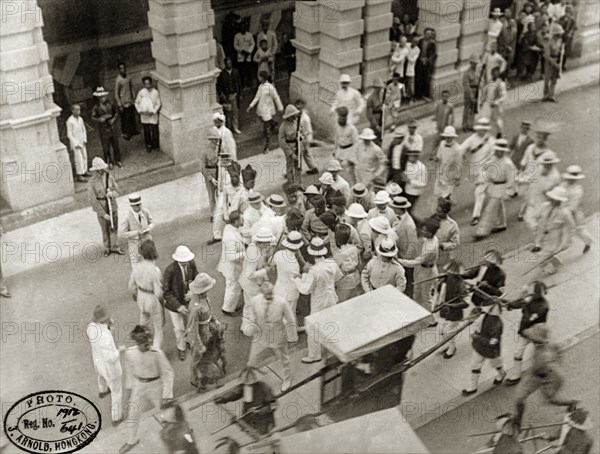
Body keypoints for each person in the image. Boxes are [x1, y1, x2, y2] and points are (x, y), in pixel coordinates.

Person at [120, 325, 174, 454]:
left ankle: (181, 430)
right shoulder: (130, 353)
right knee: (133, 415)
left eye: (149, 341)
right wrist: (129, 389)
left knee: (166, 413)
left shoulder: (157, 353)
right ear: (137, 343)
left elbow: (168, 372)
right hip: (139, 385)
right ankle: (132, 440)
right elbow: (129, 371)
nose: (148, 344)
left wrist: (167, 394)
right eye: (144, 343)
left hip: (155, 385)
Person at [513, 326, 578, 427]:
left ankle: (571, 403)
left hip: (549, 378)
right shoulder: (540, 344)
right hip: (535, 376)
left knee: (550, 400)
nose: (532, 340)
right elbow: (525, 332)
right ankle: (518, 421)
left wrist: (552, 372)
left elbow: (557, 359)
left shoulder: (549, 349)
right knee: (519, 398)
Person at [295, 238, 342, 364]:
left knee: (312, 327)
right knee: (331, 322)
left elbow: (305, 290)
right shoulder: (332, 263)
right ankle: (335, 347)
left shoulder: (314, 270)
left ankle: (314, 355)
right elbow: (338, 276)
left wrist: (298, 280)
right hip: (331, 297)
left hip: (319, 301)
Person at [246, 282, 298, 391]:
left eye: (271, 293)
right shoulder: (255, 300)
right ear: (262, 293)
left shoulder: (281, 303)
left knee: (284, 359)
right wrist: (252, 321)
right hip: (261, 334)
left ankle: (287, 379)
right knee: (253, 359)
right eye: (267, 294)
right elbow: (250, 310)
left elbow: (291, 320)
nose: (270, 296)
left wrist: (292, 337)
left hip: (277, 334)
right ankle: (251, 379)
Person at [185, 273, 226, 392]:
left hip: (207, 331)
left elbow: (210, 312)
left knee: (207, 356)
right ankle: (195, 379)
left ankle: (206, 375)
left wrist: (215, 320)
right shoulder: (196, 307)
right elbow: (193, 329)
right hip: (200, 334)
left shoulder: (205, 299)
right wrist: (199, 345)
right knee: (197, 359)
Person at [505, 281, 550, 385]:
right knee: (518, 352)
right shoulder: (532, 298)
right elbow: (519, 303)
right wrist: (510, 304)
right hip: (527, 330)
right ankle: (516, 375)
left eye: (538, 293)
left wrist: (524, 303)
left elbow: (528, 318)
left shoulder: (543, 306)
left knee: (540, 353)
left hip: (536, 331)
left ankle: (546, 373)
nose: (536, 295)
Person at [473, 140, 518, 240]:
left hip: (502, 187)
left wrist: (509, 192)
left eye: (500, 150)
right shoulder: (494, 159)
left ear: (504, 151)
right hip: (493, 186)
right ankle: (501, 224)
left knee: (489, 209)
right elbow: (488, 171)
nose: (497, 152)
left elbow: (512, 178)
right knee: (499, 207)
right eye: (496, 150)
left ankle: (481, 231)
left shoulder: (507, 163)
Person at [86, 305, 123, 425]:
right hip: (110, 368)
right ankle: (116, 417)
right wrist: (120, 351)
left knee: (101, 376)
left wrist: (107, 325)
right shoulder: (105, 337)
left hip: (98, 361)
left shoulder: (91, 327)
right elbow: (110, 358)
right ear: (102, 319)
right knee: (117, 391)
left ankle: (103, 390)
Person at [214, 367, 277, 435]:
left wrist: (259, 410)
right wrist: (221, 398)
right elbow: (234, 393)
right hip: (249, 417)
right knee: (251, 431)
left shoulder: (264, 387)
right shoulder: (246, 387)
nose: (248, 384)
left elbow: (273, 404)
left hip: (264, 419)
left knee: (264, 434)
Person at [462, 302, 506, 395]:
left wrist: (477, 337)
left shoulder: (497, 325)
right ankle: (472, 387)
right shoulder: (485, 315)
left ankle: (502, 374)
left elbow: (492, 342)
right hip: (480, 347)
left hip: (490, 350)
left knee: (496, 364)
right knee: (475, 366)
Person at [531, 186, 576, 277]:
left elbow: (571, 228)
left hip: (554, 237)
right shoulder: (544, 206)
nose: (552, 200)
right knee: (542, 251)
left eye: (555, 199)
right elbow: (535, 216)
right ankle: (557, 262)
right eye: (552, 198)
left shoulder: (564, 213)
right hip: (540, 234)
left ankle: (551, 270)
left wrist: (566, 242)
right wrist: (535, 226)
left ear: (560, 200)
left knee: (541, 256)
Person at [163, 245, 199, 361]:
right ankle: (181, 347)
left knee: (190, 324)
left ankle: (188, 341)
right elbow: (166, 292)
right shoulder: (170, 271)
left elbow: (197, 279)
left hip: (188, 301)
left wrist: (193, 291)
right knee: (178, 328)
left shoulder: (191, 264)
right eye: (183, 262)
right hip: (175, 306)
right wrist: (178, 306)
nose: (185, 263)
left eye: (186, 261)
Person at [398, 217, 440, 311]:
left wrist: (399, 260)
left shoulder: (430, 248)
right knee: (416, 292)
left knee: (426, 296)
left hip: (427, 272)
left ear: (430, 232)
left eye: (425, 230)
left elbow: (416, 261)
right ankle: (417, 312)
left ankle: (431, 320)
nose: (422, 231)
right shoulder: (430, 239)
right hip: (421, 269)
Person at [128, 239, 164, 349]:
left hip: (141, 296)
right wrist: (163, 301)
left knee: (144, 321)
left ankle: (142, 343)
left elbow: (131, 286)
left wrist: (135, 294)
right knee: (158, 327)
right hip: (152, 299)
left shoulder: (137, 267)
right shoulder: (155, 270)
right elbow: (158, 293)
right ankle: (156, 350)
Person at [460, 117, 495, 226]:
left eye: (484, 129)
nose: (482, 131)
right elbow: (461, 149)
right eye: (480, 128)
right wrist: (461, 155)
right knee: (482, 190)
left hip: (486, 169)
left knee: (479, 192)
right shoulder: (472, 139)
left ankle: (476, 215)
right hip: (474, 169)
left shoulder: (491, 140)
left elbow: (494, 156)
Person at [239, 227, 273, 334]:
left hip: (248, 283)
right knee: (254, 306)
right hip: (251, 285)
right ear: (261, 242)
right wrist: (265, 270)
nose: (269, 245)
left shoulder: (254, 247)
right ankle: (250, 329)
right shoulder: (254, 253)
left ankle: (246, 326)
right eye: (267, 243)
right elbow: (250, 274)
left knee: (249, 305)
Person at [87, 157, 124, 256]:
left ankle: (115, 246)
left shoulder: (109, 177)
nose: (102, 171)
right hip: (101, 207)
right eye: (99, 169)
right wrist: (103, 214)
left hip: (112, 205)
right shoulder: (91, 183)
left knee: (114, 226)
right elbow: (93, 201)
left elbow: (118, 191)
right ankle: (107, 248)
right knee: (104, 228)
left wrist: (112, 194)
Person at [434, 261, 469, 358]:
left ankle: (452, 348)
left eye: (452, 273)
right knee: (440, 329)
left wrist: (452, 305)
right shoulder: (444, 279)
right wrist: (438, 284)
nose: (449, 274)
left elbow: (466, 303)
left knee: (449, 332)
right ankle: (446, 344)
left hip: (454, 312)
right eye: (448, 272)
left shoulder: (461, 284)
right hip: (443, 310)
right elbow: (437, 291)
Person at [522, 150, 562, 230]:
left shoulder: (556, 177)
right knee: (531, 221)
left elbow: (554, 194)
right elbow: (531, 181)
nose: (546, 166)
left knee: (542, 225)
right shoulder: (539, 169)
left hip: (545, 203)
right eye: (545, 164)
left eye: (549, 164)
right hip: (535, 200)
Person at [247, 71, 284, 152]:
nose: (258, 78)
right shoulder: (260, 86)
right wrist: (251, 106)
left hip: (267, 110)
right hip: (261, 109)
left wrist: (280, 107)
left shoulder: (270, 87)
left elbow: (276, 97)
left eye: (259, 77)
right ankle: (273, 124)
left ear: (263, 78)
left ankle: (267, 146)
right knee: (265, 122)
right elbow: (257, 97)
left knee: (267, 128)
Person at [218, 210, 246, 315]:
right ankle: (227, 309)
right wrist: (245, 253)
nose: (243, 220)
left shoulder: (229, 228)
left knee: (233, 287)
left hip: (234, 267)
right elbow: (231, 257)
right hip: (232, 267)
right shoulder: (231, 238)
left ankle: (229, 307)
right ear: (236, 221)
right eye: (242, 219)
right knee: (233, 288)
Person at [390, 196, 418, 296]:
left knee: (407, 279)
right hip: (400, 253)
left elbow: (413, 244)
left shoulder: (409, 224)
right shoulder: (398, 217)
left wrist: (406, 260)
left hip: (406, 257)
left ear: (398, 208)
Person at [561, 165, 593, 254]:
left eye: (572, 178)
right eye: (569, 178)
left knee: (579, 230)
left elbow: (573, 207)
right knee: (566, 230)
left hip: (574, 213)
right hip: (565, 211)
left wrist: (572, 219)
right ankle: (565, 244)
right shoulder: (564, 185)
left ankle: (588, 242)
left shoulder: (577, 190)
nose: (570, 180)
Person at [119, 193, 154, 268]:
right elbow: (122, 233)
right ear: (132, 206)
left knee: (150, 262)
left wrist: (149, 228)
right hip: (134, 243)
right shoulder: (126, 217)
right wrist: (136, 233)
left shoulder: (145, 211)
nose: (139, 207)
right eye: (137, 205)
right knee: (136, 266)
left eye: (140, 204)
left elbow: (151, 222)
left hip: (147, 241)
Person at [91, 86, 121, 168]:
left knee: (115, 144)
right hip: (103, 128)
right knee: (106, 146)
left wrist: (114, 119)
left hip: (112, 126)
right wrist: (99, 119)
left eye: (103, 96)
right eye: (100, 97)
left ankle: (117, 160)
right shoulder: (96, 107)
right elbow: (93, 117)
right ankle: (109, 161)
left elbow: (116, 113)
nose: (102, 99)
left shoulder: (110, 104)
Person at [273, 231, 303, 313]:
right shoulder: (294, 264)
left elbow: (271, 263)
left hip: (279, 289)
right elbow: (298, 282)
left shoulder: (278, 254)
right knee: (289, 316)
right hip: (290, 294)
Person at [333, 224, 362, 302]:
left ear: (337, 240)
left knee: (341, 302)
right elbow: (360, 263)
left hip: (345, 281)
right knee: (354, 300)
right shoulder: (355, 248)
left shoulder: (339, 254)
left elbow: (336, 271)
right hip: (356, 277)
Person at [431, 196, 460, 268]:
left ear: (446, 212)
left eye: (440, 212)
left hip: (444, 257)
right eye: (437, 210)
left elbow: (456, 243)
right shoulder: (431, 220)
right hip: (430, 255)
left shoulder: (452, 225)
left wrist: (442, 246)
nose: (437, 213)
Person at [433, 126, 462, 198]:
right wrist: (436, 158)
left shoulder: (457, 149)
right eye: (446, 137)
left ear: (453, 137)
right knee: (437, 193)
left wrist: (458, 178)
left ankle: (446, 206)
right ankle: (445, 204)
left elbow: (459, 164)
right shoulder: (442, 144)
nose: (448, 139)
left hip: (450, 175)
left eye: (450, 137)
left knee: (446, 196)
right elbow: (439, 155)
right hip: (440, 172)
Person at [135, 76, 161, 153]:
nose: (148, 85)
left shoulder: (155, 92)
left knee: (154, 130)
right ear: (144, 84)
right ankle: (148, 145)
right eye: (146, 84)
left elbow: (158, 103)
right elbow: (137, 102)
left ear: (151, 83)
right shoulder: (141, 92)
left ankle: (155, 145)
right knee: (146, 131)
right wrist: (140, 110)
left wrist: (153, 111)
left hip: (152, 114)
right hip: (144, 115)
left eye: (149, 83)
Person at [333, 107, 359, 185]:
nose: (341, 120)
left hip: (349, 150)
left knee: (350, 172)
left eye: (343, 118)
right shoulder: (337, 127)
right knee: (335, 170)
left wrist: (352, 156)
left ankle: (354, 186)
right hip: (340, 150)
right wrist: (335, 150)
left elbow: (356, 143)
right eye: (340, 118)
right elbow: (336, 139)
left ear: (346, 118)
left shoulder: (352, 128)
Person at [217, 57, 242, 134]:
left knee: (235, 112)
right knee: (227, 113)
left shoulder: (235, 72)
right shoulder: (222, 74)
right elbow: (219, 85)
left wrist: (240, 94)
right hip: (226, 96)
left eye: (230, 63)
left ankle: (235, 127)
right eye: (227, 63)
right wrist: (221, 94)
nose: (229, 65)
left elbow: (239, 83)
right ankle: (228, 128)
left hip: (234, 94)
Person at [114, 61, 138, 140]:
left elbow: (131, 87)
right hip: (123, 102)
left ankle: (133, 130)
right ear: (119, 70)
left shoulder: (128, 77)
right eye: (121, 68)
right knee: (125, 119)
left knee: (131, 116)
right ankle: (126, 133)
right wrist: (119, 104)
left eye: (124, 68)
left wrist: (133, 96)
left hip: (130, 100)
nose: (123, 70)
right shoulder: (118, 80)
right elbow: (116, 93)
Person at [480, 66, 507, 136]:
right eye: (493, 73)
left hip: (496, 106)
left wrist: (496, 103)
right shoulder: (489, 82)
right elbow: (486, 92)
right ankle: (484, 135)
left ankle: (500, 134)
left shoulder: (501, 84)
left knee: (497, 121)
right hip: (488, 105)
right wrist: (482, 101)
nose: (494, 75)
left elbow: (504, 96)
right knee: (485, 119)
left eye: (496, 73)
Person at [278, 104, 302, 183]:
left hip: (298, 146)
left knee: (298, 166)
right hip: (289, 147)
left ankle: (299, 183)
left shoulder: (296, 123)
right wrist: (291, 154)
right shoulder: (283, 127)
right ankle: (291, 182)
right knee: (290, 166)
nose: (294, 117)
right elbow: (282, 142)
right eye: (292, 115)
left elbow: (301, 133)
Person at [295, 98, 319, 175]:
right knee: (305, 153)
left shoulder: (305, 118)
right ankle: (313, 167)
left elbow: (309, 130)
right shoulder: (296, 116)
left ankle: (295, 171)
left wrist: (308, 140)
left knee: (299, 153)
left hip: (304, 138)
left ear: (303, 107)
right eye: (297, 107)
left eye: (300, 107)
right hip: (298, 137)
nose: (298, 109)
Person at [66, 104, 89, 182]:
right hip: (76, 143)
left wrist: (84, 139)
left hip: (82, 140)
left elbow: (84, 129)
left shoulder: (80, 119)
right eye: (77, 110)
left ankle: (85, 171)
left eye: (79, 110)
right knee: (78, 159)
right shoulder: (70, 121)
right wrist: (75, 144)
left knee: (84, 156)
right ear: (72, 111)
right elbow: (69, 134)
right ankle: (79, 175)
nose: (79, 112)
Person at [542, 23, 564, 103]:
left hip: (556, 60)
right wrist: (555, 64)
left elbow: (560, 52)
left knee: (555, 79)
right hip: (549, 62)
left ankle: (551, 95)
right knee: (547, 79)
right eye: (558, 34)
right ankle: (545, 95)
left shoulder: (560, 41)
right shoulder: (549, 42)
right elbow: (547, 56)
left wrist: (559, 64)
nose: (560, 36)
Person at [432, 89, 455, 155]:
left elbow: (452, 117)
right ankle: (433, 154)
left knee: (446, 142)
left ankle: (446, 154)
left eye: (446, 96)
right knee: (436, 141)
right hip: (439, 127)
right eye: (444, 96)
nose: (445, 98)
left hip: (446, 128)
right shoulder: (439, 105)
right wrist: (436, 121)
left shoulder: (450, 106)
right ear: (442, 97)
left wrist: (451, 126)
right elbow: (436, 114)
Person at [416, 28, 437, 100]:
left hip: (427, 64)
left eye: (430, 34)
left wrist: (428, 60)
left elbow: (434, 54)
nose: (429, 35)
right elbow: (417, 50)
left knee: (426, 79)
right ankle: (418, 94)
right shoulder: (420, 41)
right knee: (419, 78)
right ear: (424, 34)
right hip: (420, 62)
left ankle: (425, 95)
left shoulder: (432, 43)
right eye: (427, 34)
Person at [462, 54, 481, 131]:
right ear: (471, 63)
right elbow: (466, 86)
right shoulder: (466, 73)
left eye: (476, 63)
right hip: (469, 91)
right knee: (467, 108)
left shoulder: (477, 71)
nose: (475, 64)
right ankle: (464, 125)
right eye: (474, 63)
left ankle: (471, 125)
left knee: (473, 108)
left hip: (476, 90)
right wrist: (471, 96)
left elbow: (479, 81)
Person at [234, 22, 255, 88]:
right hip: (241, 55)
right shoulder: (237, 36)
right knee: (241, 72)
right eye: (241, 27)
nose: (243, 28)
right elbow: (235, 45)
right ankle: (242, 85)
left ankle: (250, 83)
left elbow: (253, 44)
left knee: (249, 70)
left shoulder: (249, 35)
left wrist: (249, 51)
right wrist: (240, 50)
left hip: (248, 55)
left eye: (244, 27)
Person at [558, 5, 577, 71]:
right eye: (566, 12)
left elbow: (574, 28)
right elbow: (558, 26)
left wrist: (570, 33)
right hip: (561, 36)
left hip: (568, 38)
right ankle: (558, 64)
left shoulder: (572, 20)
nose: (567, 14)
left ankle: (563, 64)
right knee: (559, 50)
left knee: (565, 52)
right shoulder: (561, 18)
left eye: (569, 12)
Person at [405, 36, 421, 103]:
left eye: (417, 42)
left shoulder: (417, 50)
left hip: (410, 68)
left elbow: (412, 60)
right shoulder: (407, 45)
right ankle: (404, 96)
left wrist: (406, 55)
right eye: (414, 41)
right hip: (403, 66)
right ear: (412, 40)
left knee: (411, 84)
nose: (415, 43)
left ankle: (412, 97)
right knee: (403, 82)